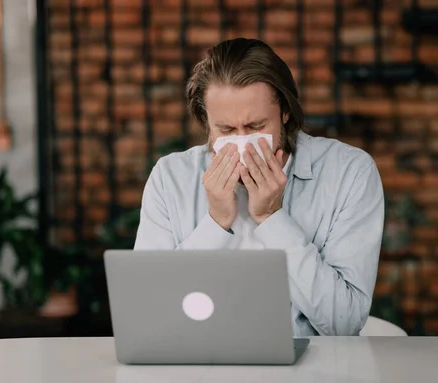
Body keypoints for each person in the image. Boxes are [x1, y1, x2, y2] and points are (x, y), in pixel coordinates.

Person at [134, 38, 384, 336]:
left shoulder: (349, 173)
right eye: (226, 130)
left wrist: (272, 218)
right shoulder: (170, 178)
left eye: (255, 127)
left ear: (285, 113)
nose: (242, 141)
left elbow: (344, 322)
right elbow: (148, 312)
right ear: (206, 122)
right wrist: (215, 223)